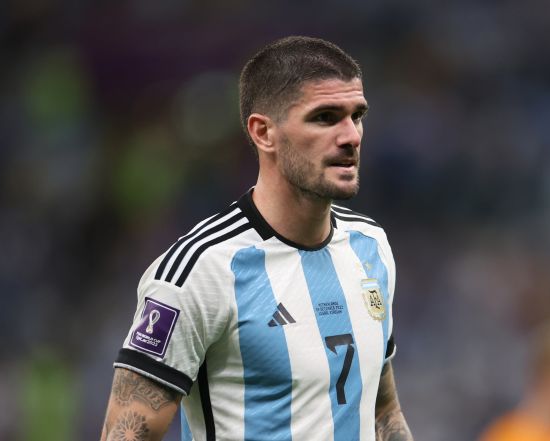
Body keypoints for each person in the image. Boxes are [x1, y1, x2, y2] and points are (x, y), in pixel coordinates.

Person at [100, 36, 413, 441]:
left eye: (357, 116)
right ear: (264, 132)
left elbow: (383, 412)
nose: (351, 136)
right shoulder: (201, 270)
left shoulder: (370, 247)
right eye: (325, 117)